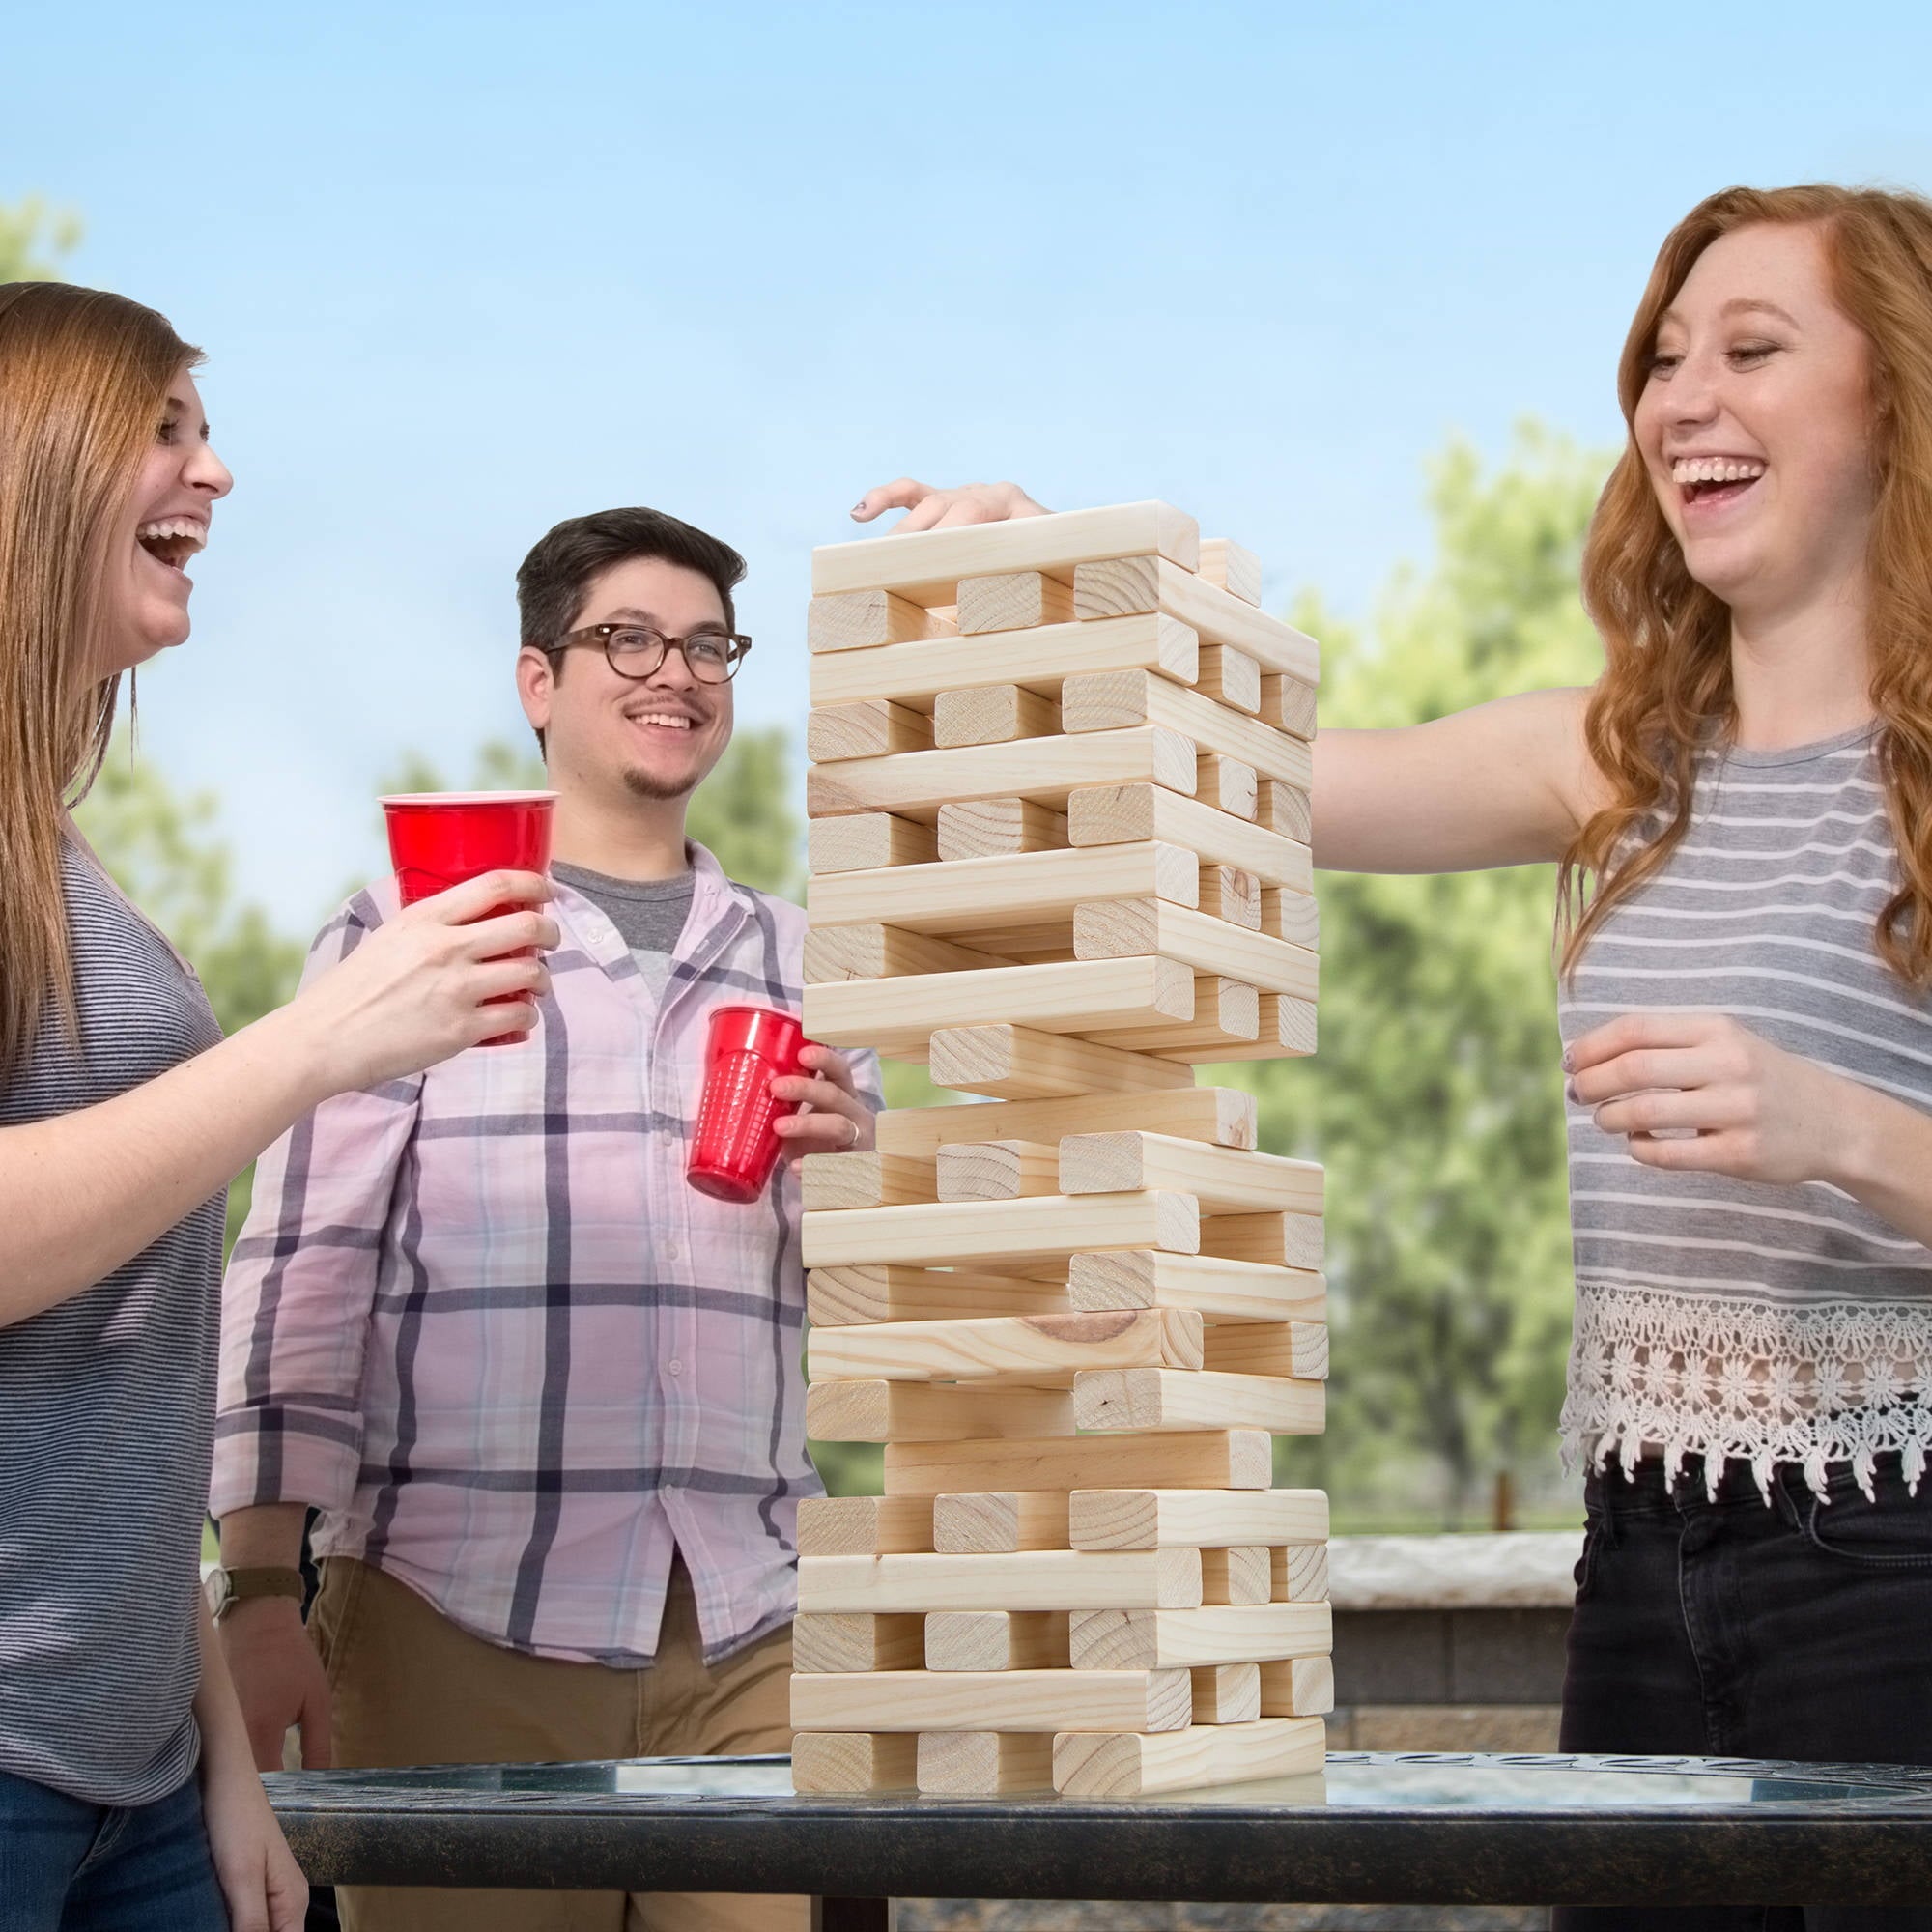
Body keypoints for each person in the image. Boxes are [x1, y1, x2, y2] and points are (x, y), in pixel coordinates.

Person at [871, 183, 1932, 1932]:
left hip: (1897, 1560)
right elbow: (1259, 767)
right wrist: (1050, 566)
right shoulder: (1614, 767)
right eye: (1665, 361)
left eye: (1753, 349)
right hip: (1645, 1553)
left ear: (1895, 396)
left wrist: (1834, 1123)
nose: (1685, 401)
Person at [213, 505, 879, 1932]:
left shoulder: (808, 961)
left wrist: (869, 1178)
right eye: (627, 638)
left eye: (709, 645)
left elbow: (884, 1311)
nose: (676, 672)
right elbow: (302, 1264)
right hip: (458, 1619)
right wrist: (263, 1586)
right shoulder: (417, 928)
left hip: (753, 1623)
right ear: (539, 682)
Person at [0, 286, 554, 1932]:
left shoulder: (58, 846)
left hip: (126, 1777)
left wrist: (215, 1769)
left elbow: (118, 1377)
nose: (218, 471)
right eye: (166, 427)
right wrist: (316, 1045)